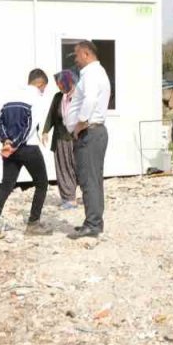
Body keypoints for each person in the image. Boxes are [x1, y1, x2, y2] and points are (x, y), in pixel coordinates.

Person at [0, 68, 54, 240]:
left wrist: (5, 140)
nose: (43, 91)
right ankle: (33, 224)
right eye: (43, 88)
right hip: (28, 147)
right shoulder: (36, 98)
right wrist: (15, 143)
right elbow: (29, 126)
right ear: (40, 83)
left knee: (6, 185)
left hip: (10, 149)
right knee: (42, 183)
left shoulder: (10, 96)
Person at [69, 40, 111, 240]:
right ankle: (93, 221)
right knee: (92, 179)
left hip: (90, 133)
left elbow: (90, 100)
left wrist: (80, 123)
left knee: (89, 180)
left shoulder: (92, 74)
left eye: (77, 56)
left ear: (86, 54)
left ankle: (93, 224)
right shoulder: (96, 72)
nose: (76, 60)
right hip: (93, 133)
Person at [42, 69, 80, 210]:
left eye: (60, 83)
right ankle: (69, 199)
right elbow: (52, 115)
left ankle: (88, 196)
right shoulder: (58, 97)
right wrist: (45, 131)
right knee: (63, 169)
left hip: (77, 138)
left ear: (68, 81)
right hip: (60, 139)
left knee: (79, 167)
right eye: (57, 84)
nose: (59, 86)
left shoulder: (79, 96)